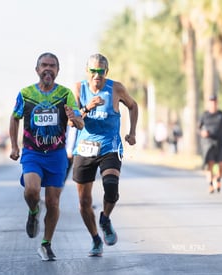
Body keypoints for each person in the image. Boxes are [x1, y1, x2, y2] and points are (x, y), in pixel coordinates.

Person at [9, 52, 84, 261]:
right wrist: (14, 146)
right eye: (44, 65)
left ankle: (46, 244)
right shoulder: (25, 94)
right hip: (32, 153)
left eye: (52, 66)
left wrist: (74, 118)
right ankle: (33, 212)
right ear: (37, 70)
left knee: (53, 202)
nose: (48, 69)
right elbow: (14, 118)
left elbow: (79, 122)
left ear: (57, 71)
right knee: (31, 191)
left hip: (57, 155)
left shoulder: (65, 94)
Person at [72, 53, 138, 257]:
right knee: (84, 201)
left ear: (106, 72)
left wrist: (132, 132)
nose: (97, 75)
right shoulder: (78, 89)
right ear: (87, 72)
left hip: (110, 146)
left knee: (111, 188)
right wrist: (88, 107)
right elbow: (72, 120)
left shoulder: (115, 88)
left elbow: (133, 106)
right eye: (93, 71)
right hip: (84, 148)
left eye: (101, 71)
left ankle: (105, 218)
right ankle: (95, 239)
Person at [199, 94, 222, 194]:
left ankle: (217, 179)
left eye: (214, 101)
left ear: (216, 103)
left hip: (220, 143)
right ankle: (210, 184)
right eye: (211, 102)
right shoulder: (204, 115)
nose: (213, 103)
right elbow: (198, 128)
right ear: (208, 103)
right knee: (210, 164)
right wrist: (202, 132)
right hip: (208, 143)